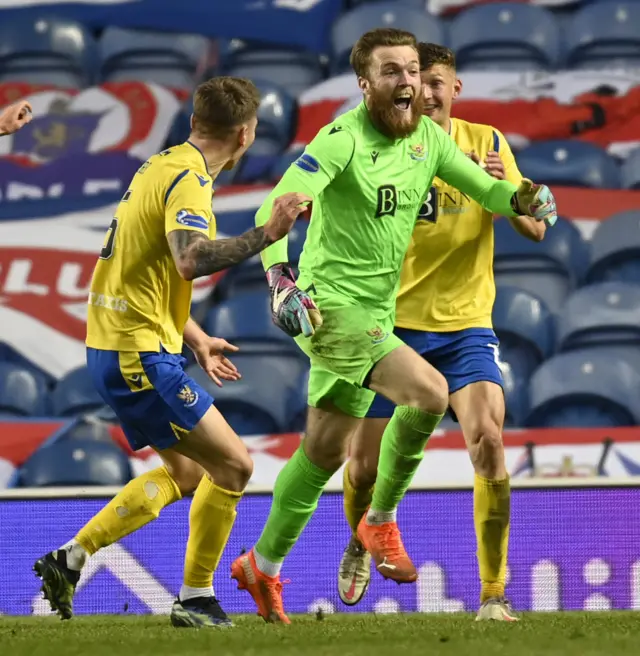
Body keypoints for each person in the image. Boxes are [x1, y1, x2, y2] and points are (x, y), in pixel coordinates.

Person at [230, 28, 557, 624]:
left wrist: (527, 199)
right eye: (393, 72)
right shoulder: (341, 140)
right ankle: (380, 520)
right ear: (366, 85)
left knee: (323, 454)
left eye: (413, 70)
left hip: (378, 314)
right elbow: (274, 204)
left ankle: (262, 566)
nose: (408, 82)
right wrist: (279, 276)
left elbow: (487, 187)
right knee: (431, 393)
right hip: (327, 306)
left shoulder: (429, 140)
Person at [33, 76, 309, 628]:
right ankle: (196, 597)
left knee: (185, 472)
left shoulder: (159, 166)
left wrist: (198, 337)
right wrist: (268, 230)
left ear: (193, 122)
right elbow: (189, 261)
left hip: (118, 344)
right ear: (247, 133)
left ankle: (71, 559)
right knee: (234, 465)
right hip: (137, 354)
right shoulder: (188, 182)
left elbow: (147, 272)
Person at [337, 43, 550, 622]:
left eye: (438, 82)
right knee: (360, 467)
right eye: (417, 81)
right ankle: (362, 538)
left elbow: (539, 224)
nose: (426, 92)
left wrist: (515, 195)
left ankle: (493, 594)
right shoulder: (383, 148)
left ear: (455, 89)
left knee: (487, 439)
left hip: (464, 327)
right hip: (392, 326)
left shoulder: (486, 143)